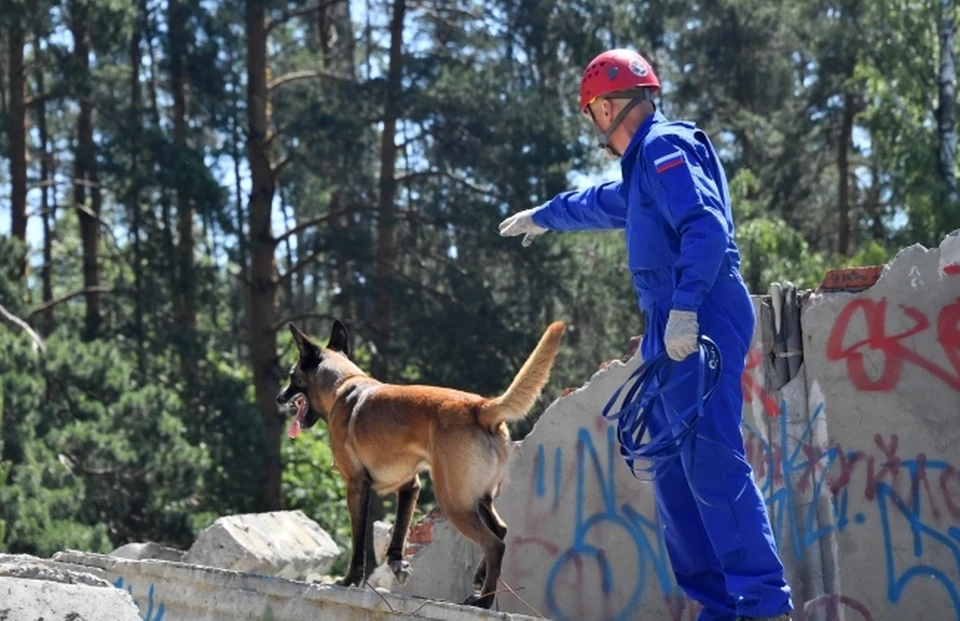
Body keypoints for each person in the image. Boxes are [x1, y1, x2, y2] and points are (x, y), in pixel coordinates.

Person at [498, 49, 794, 621]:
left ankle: (761, 605)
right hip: (671, 321)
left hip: (701, 309)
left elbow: (705, 226)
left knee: (710, 460)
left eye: (592, 116)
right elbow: (601, 203)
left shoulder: (664, 147)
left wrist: (685, 310)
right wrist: (546, 213)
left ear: (606, 107)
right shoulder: (640, 172)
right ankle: (719, 608)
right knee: (674, 479)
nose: (595, 130)